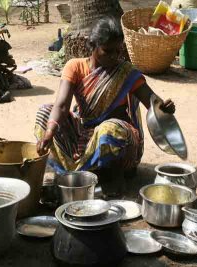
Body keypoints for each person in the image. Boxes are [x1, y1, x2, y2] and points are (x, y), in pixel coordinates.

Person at [35, 16, 175, 196]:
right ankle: (76, 172)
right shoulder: (75, 67)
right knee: (45, 114)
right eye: (107, 51)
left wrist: (165, 107)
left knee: (109, 130)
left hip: (120, 142)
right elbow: (61, 106)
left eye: (118, 51)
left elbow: (153, 102)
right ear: (92, 46)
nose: (114, 57)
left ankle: (110, 178)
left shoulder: (125, 72)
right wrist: (49, 133)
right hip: (84, 135)